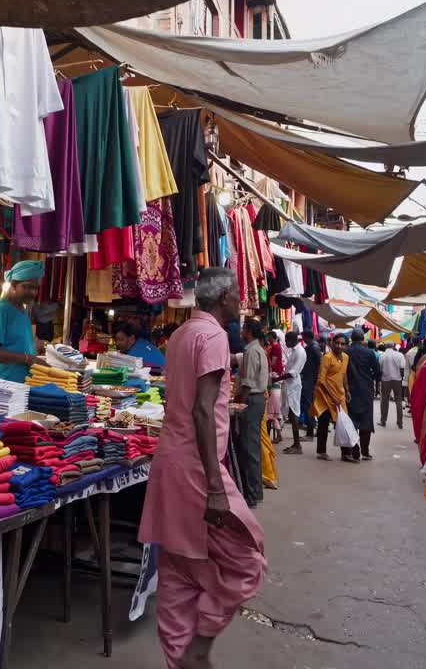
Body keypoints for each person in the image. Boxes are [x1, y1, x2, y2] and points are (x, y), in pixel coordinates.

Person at [139, 268, 265, 669]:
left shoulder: (180, 335)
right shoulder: (212, 337)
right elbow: (203, 408)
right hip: (196, 465)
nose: (240, 303)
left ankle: (180, 660)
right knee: (248, 557)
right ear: (223, 296)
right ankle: (200, 644)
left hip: (171, 461)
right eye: (237, 294)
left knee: (179, 568)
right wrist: (215, 483)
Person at [0, 261, 48, 382]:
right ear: (13, 285)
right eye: (27, 286)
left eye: (35, 288)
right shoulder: (0, 310)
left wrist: (35, 346)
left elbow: (16, 343)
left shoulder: (23, 309)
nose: (32, 292)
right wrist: (27, 358)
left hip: (19, 384)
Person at [234, 319, 269, 506]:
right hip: (256, 399)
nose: (240, 332)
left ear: (248, 331)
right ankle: (254, 491)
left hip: (252, 400)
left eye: (242, 329)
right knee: (250, 446)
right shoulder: (257, 350)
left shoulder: (252, 351)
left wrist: (238, 401)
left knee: (249, 448)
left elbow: (247, 383)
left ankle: (252, 494)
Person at [309, 333, 349, 462]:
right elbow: (321, 380)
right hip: (325, 396)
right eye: (337, 343)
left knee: (343, 425)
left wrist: (347, 391)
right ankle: (321, 451)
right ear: (332, 343)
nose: (339, 346)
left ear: (346, 346)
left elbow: (344, 375)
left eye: (342, 344)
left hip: (340, 396)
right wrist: (332, 397)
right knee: (323, 424)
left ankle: (345, 453)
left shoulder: (346, 357)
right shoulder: (327, 357)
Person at [345, 329, 381, 460]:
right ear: (362, 339)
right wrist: (371, 378)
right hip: (366, 389)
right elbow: (377, 371)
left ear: (352, 338)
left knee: (351, 420)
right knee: (366, 420)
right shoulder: (369, 352)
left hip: (349, 389)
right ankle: (365, 451)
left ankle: (354, 448)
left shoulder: (345, 351)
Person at [280, 332, 306, 455]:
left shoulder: (300, 352)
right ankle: (296, 444)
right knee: (291, 414)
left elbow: (292, 372)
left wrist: (275, 379)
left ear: (292, 340)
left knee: (294, 413)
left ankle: (297, 445)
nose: (286, 343)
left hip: (293, 386)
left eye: (286, 340)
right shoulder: (294, 351)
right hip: (289, 385)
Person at [296, 330, 321, 444]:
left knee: (309, 407)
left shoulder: (314, 348)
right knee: (308, 406)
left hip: (310, 382)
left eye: (303, 337)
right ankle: (311, 431)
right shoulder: (311, 347)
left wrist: (316, 381)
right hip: (308, 380)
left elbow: (320, 365)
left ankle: (310, 433)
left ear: (307, 337)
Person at [378, 343, 406, 429]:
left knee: (384, 400)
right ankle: (400, 422)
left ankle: (383, 421)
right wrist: (400, 377)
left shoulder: (382, 355)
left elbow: (380, 368)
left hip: (385, 379)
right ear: (393, 347)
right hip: (397, 379)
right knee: (398, 400)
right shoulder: (399, 355)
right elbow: (402, 367)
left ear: (386, 346)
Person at [265, 330, 285, 442]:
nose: (267, 338)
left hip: (274, 377)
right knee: (273, 411)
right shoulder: (273, 346)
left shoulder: (275, 347)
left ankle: (278, 435)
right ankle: (278, 434)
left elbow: (273, 362)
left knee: (272, 411)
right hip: (274, 378)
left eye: (268, 336)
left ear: (272, 337)